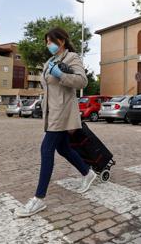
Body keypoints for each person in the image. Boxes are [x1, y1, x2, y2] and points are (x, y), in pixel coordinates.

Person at [16, 27, 97, 218]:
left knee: (46, 149)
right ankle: (87, 173)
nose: (48, 45)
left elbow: (82, 81)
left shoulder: (72, 58)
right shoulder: (48, 63)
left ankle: (38, 199)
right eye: (46, 42)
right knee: (63, 149)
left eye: (50, 41)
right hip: (50, 112)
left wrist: (61, 75)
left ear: (61, 41)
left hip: (62, 111)